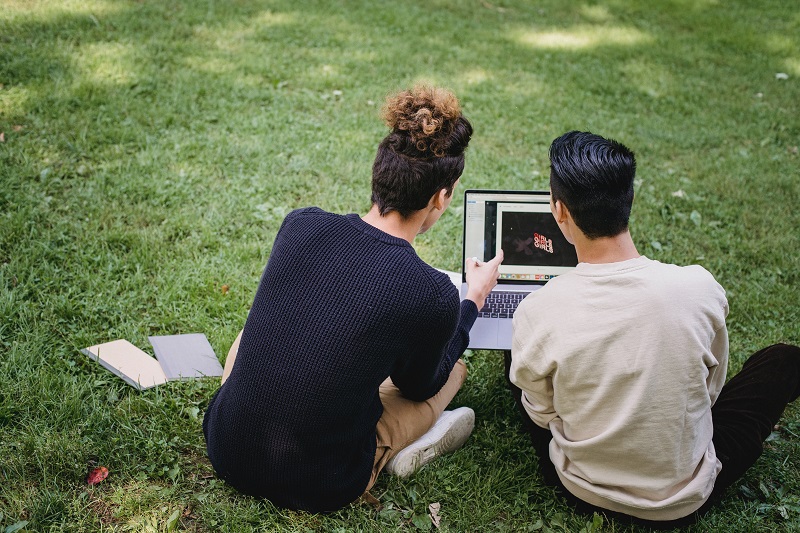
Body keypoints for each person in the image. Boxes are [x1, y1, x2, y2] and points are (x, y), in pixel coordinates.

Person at [203, 85, 503, 513]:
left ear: (379, 173)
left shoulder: (300, 224)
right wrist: (470, 304)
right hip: (320, 481)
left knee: (254, 332)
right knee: (453, 370)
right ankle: (404, 446)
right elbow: (419, 386)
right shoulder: (431, 292)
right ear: (440, 197)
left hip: (225, 444)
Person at [508, 130, 800, 528]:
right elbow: (709, 392)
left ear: (559, 211)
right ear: (630, 200)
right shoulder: (699, 288)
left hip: (581, 488)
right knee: (781, 361)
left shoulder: (537, 310)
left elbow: (542, 414)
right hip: (684, 498)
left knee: (521, 364)